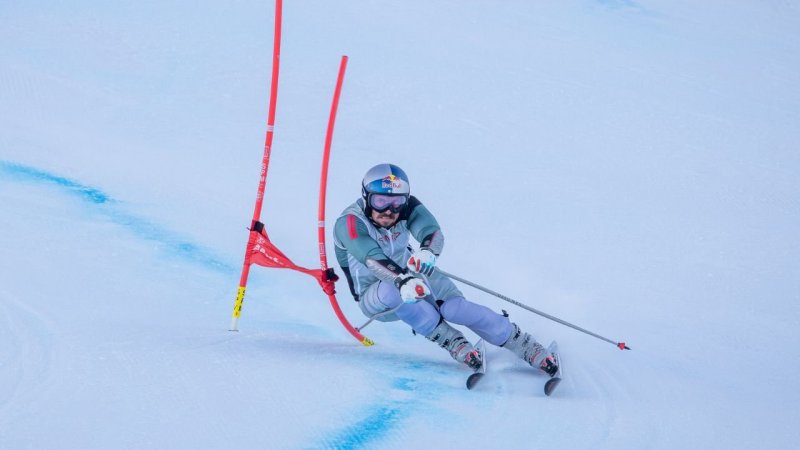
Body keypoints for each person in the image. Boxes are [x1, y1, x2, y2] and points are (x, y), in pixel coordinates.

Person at [333, 163, 557, 375]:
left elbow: (431, 231)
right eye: (381, 201)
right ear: (366, 197)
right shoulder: (349, 223)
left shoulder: (406, 208)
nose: (390, 211)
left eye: (397, 202)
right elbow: (371, 257)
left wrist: (428, 252)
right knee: (395, 292)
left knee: (454, 308)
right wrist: (402, 281)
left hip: (411, 274)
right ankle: (453, 341)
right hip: (377, 298)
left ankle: (526, 346)